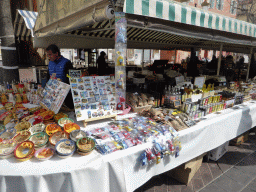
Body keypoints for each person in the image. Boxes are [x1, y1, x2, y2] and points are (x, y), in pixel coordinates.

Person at [46, 44, 74, 109]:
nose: (49, 57)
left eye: (50, 54)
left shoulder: (67, 62)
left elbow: (71, 79)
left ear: (56, 53)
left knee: (68, 112)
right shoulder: (50, 63)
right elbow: (48, 77)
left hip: (66, 95)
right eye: (48, 55)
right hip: (54, 94)